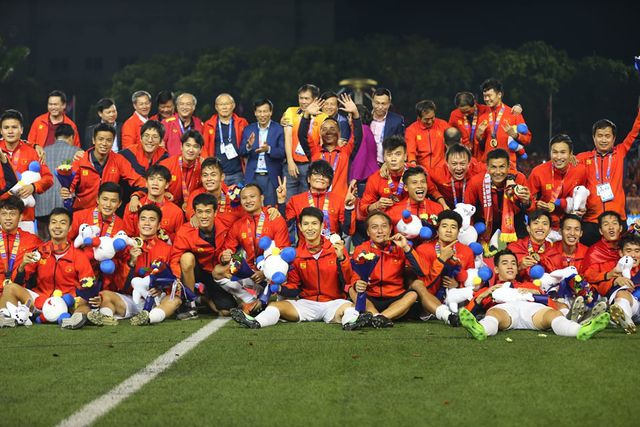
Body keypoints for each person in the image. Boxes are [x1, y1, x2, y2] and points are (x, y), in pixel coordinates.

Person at [229, 207, 368, 330]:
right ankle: (256, 322)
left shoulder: (336, 250)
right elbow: (294, 287)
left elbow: (347, 280)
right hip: (306, 304)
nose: (310, 228)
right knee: (275, 306)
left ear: (322, 226)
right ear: (300, 227)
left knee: (349, 308)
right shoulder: (296, 255)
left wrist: (342, 259)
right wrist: (280, 288)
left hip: (333, 303)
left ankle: (350, 323)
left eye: (314, 224)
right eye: (306, 224)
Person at [458, 249, 610, 341]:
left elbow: (551, 304)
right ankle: (481, 330)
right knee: (493, 314)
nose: (510, 266)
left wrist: (536, 294)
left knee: (552, 315)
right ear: (496, 269)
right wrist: (482, 296)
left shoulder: (530, 285)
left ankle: (580, 331)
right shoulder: (491, 290)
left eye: (513, 263)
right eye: (505, 263)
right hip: (505, 310)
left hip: (532, 310)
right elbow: (468, 312)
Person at [1, 208, 94, 329]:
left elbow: (89, 286)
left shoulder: (79, 255)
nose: (57, 226)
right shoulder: (40, 251)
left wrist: (81, 299)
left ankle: (74, 320)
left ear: (70, 228)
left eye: (63, 223)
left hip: (66, 304)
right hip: (41, 302)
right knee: (10, 287)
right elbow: (20, 282)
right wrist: (22, 265)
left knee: (84, 304)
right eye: (54, 222)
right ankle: (4, 317)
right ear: (49, 226)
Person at [91, 204, 172, 326]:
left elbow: (173, 279)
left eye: (152, 219)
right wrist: (131, 262)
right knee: (105, 295)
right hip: (132, 299)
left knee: (174, 299)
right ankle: (106, 317)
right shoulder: (126, 247)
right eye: (143, 219)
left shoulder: (167, 249)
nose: (147, 223)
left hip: (157, 300)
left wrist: (161, 289)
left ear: (159, 225)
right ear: (138, 224)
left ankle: (151, 317)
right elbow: (121, 285)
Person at [215, 184, 289, 314]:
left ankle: (275, 300)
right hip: (250, 272)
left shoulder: (274, 218)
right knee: (218, 271)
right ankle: (249, 300)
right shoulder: (238, 224)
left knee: (283, 271)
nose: (248, 201)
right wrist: (224, 256)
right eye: (244, 198)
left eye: (252, 196)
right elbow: (227, 249)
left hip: (271, 272)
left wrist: (265, 272)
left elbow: (282, 251)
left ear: (262, 198)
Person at [576, 109, 640, 245]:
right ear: (594, 137)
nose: (603, 140)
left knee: (619, 256)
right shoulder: (582, 158)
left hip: (616, 220)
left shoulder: (621, 152)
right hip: (591, 221)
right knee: (588, 257)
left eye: (607, 136)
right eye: (600, 136)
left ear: (614, 138)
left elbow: (636, 131)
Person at [348, 211, 422, 327]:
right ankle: (380, 317)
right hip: (371, 297)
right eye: (374, 227)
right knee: (351, 290)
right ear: (368, 232)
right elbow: (355, 274)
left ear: (390, 229)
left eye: (384, 226)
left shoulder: (400, 247)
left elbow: (420, 271)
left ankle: (376, 318)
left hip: (395, 298)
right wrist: (357, 283)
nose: (380, 231)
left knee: (413, 295)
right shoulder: (361, 249)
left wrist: (405, 247)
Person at [170, 193, 236, 319]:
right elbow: (175, 258)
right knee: (187, 258)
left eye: (208, 212)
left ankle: (202, 298)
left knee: (226, 311)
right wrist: (177, 278)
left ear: (215, 212)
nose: (204, 216)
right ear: (194, 213)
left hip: (214, 273)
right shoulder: (185, 231)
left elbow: (243, 215)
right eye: (200, 212)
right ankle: (190, 303)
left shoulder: (225, 226)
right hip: (195, 272)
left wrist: (270, 209)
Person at [412, 210, 475, 326]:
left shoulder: (467, 251)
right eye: (444, 226)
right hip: (429, 299)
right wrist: (442, 259)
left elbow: (472, 281)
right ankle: (447, 315)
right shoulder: (423, 249)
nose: (449, 230)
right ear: (437, 229)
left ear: (458, 231)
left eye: (453, 227)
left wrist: (458, 285)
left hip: (456, 300)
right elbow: (424, 283)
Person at [66, 123, 145, 211]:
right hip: (83, 213)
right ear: (93, 140)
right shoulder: (81, 160)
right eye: (101, 139)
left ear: (113, 142)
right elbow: (70, 186)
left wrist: (136, 196)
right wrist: (67, 190)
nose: (104, 143)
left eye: (109, 140)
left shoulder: (119, 160)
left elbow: (141, 182)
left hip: (108, 212)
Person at [298, 93, 362, 199]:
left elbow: (357, 136)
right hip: (317, 202)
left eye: (332, 128)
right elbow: (302, 135)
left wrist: (355, 114)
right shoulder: (314, 151)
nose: (328, 132)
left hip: (341, 202)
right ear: (320, 134)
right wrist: (306, 115)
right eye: (324, 129)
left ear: (339, 133)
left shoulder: (346, 151)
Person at [464, 148, 531, 248]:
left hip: (513, 221)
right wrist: (470, 232)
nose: (498, 172)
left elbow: (531, 210)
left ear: (508, 167)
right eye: (494, 167)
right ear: (487, 167)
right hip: (486, 222)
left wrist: (526, 202)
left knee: (521, 248)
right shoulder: (476, 182)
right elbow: (467, 210)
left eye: (502, 167)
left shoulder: (519, 179)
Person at [0, 109, 54, 232]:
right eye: (6, 127)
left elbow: (48, 179)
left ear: (22, 130)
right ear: (1, 131)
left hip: (25, 216)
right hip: (1, 214)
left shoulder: (32, 152)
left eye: (14, 127)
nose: (10, 131)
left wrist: (33, 187)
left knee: (27, 245)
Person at [279, 159, 356, 241]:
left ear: (329, 183)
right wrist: (281, 201)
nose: (321, 178)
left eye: (325, 176)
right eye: (316, 174)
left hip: (331, 246)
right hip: (305, 247)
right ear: (308, 179)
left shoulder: (339, 200)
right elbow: (284, 224)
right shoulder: (296, 200)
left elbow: (349, 231)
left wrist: (349, 207)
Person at [528, 134, 587, 231]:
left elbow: (583, 196)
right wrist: (537, 204)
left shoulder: (580, 170)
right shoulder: (538, 172)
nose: (558, 157)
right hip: (546, 226)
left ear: (571, 153)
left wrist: (583, 208)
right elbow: (528, 202)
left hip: (570, 226)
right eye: (555, 152)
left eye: (563, 152)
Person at [34, 124, 82, 240]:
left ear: (55, 138)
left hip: (42, 205)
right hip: (64, 206)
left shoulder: (41, 152)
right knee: (64, 242)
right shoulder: (78, 152)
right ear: (71, 137)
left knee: (43, 243)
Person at [281, 84, 325, 201]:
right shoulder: (291, 111)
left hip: (310, 165)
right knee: (288, 201)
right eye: (301, 98)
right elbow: (288, 137)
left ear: (315, 99)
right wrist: (290, 161)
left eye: (307, 98)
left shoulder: (323, 117)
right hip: (292, 163)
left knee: (307, 201)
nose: (303, 101)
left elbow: (322, 143)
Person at [239, 98, 285, 207]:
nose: (262, 115)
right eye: (259, 111)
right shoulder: (248, 129)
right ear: (255, 113)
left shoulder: (278, 129)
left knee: (271, 208)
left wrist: (268, 149)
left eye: (265, 111)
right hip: (253, 175)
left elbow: (282, 153)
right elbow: (241, 151)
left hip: (271, 176)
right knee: (252, 207)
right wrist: (248, 146)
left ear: (271, 112)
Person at [475, 78, 531, 164]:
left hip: (508, 165)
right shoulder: (483, 117)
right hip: (488, 165)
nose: (486, 99)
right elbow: (481, 147)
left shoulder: (513, 113)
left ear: (499, 94)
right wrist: (479, 137)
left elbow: (527, 139)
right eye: (484, 96)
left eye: (489, 95)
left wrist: (515, 135)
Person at [123, 165, 184, 243]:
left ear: (167, 184)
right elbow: (127, 237)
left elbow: (179, 241)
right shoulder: (133, 206)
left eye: (160, 180)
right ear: (146, 183)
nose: (155, 183)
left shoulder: (176, 212)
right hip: (136, 249)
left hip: (164, 250)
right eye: (151, 179)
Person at [201, 93, 248, 185]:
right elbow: (204, 148)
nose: (224, 107)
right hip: (217, 173)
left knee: (239, 194)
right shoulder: (209, 124)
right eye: (221, 104)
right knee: (219, 194)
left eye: (227, 104)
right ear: (216, 107)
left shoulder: (242, 123)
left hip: (238, 172)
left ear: (233, 105)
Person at [184, 157, 243, 230]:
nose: (209, 179)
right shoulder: (196, 195)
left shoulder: (233, 196)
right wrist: (193, 216)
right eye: (205, 175)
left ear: (222, 177)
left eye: (213, 175)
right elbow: (190, 212)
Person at [428, 143, 486, 209]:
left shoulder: (478, 169)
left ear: (469, 163)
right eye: (454, 164)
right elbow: (427, 183)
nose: (458, 168)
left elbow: (493, 169)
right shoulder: (437, 172)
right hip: (448, 209)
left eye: (462, 163)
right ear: (447, 163)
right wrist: (441, 201)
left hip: (473, 208)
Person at [0, 197, 42, 285]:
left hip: (20, 288)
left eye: (12, 214)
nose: (8, 218)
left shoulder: (32, 241)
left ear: (20, 217)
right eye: (4, 214)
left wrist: (21, 267)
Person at [159, 129, 204, 210]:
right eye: (188, 145)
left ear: (200, 150)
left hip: (193, 208)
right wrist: (163, 193)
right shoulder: (166, 165)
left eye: (195, 146)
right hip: (168, 207)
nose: (191, 150)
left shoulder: (203, 167)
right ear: (181, 146)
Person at [606, 234, 640, 334]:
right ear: (621, 253)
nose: (633, 255)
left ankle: (618, 318)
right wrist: (614, 281)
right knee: (622, 294)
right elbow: (599, 286)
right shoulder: (614, 270)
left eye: (637, 251)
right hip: (633, 307)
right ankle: (626, 320)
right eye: (629, 251)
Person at [507, 210, 556, 279]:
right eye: (536, 223)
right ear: (528, 228)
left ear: (550, 230)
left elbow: (557, 273)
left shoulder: (553, 251)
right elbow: (503, 273)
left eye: (545, 224)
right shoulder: (514, 247)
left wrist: (541, 259)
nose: (540, 227)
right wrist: (519, 267)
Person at [405, 99, 448, 170]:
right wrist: (413, 167)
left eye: (432, 118)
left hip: (442, 169)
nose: (430, 121)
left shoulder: (443, 125)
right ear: (419, 117)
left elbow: (451, 145)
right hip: (422, 170)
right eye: (426, 119)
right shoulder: (411, 130)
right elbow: (411, 151)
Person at [448, 91, 491, 155]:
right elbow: (450, 135)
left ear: (474, 104)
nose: (466, 114)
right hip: (464, 153)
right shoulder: (454, 114)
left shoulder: (486, 110)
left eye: (468, 111)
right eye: (462, 112)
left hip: (482, 151)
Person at [369, 88, 405, 165]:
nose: (380, 107)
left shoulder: (397, 121)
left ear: (389, 104)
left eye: (383, 104)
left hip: (387, 164)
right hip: (367, 164)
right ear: (372, 102)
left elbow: (400, 145)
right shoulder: (365, 118)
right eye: (377, 103)